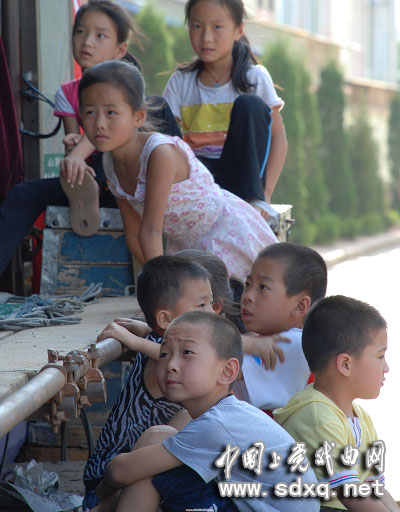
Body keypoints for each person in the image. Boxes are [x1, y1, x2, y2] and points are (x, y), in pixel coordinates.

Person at [0, 0, 178, 277]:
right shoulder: (67, 92)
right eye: (80, 32)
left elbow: (114, 135)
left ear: (120, 50)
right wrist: (74, 152)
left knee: (155, 107)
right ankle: (89, 195)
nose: (87, 42)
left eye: (100, 35)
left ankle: (177, 184)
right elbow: (76, 147)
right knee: (23, 193)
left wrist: (79, 151)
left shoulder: (129, 87)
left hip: (138, 175)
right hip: (97, 178)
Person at [93, 311, 319, 512]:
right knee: (157, 436)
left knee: (150, 469)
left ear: (227, 371)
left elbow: (118, 473)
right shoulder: (224, 414)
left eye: (187, 352)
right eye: (164, 354)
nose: (171, 365)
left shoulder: (218, 425)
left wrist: (104, 494)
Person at [78, 59, 277, 281]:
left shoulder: (159, 153)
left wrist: (162, 290)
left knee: (253, 296)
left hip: (225, 235)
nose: (99, 123)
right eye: (90, 112)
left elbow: (151, 231)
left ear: (139, 116)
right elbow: (133, 235)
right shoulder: (110, 163)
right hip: (186, 251)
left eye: (111, 112)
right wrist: (163, 284)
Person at [82, 255, 215, 510]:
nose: (211, 313)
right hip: (110, 480)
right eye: (201, 305)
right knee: (192, 420)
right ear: (165, 320)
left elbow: (164, 344)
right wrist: (136, 341)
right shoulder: (167, 360)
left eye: (210, 303)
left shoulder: (159, 343)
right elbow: (180, 359)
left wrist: (143, 333)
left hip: (134, 470)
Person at [162, 0, 287, 218]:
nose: (206, 38)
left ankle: (253, 200)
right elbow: (164, 138)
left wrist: (266, 193)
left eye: (217, 27)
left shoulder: (254, 78)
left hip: (238, 177)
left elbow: (277, 138)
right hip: (195, 176)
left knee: (249, 104)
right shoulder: (181, 80)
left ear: (238, 30)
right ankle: (156, 195)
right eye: (197, 26)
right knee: (157, 110)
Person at [274, 295, 399, 511]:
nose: (386, 368)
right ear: (345, 365)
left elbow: (374, 488)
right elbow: (350, 493)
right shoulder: (317, 417)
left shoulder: (361, 417)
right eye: (380, 356)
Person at [234, 242, 327, 414]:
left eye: (263, 287)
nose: (247, 296)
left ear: (300, 306)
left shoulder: (295, 343)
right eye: (248, 284)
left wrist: (239, 342)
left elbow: (216, 367)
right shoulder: (261, 340)